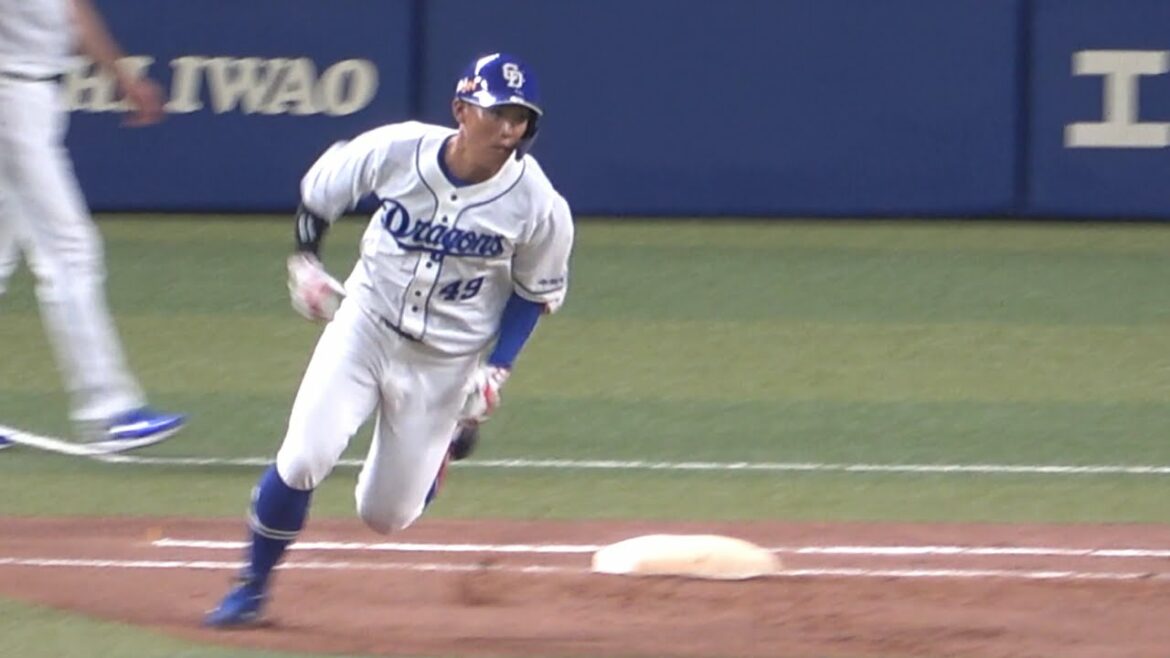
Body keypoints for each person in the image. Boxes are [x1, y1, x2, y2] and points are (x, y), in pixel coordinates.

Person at [203, 52, 574, 627]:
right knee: (303, 458)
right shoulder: (399, 150)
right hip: (364, 328)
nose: (509, 130)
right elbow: (320, 193)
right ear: (461, 110)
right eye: (498, 113)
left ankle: (445, 447)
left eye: (520, 117)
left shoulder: (538, 204)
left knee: (385, 516)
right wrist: (306, 261)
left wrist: (497, 368)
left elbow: (534, 293)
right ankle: (251, 588)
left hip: (447, 362)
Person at [0, 0, 186, 452]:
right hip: (10, 98)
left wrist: (123, 77)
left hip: (34, 95)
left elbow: (73, 10)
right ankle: (108, 410)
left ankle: (108, 409)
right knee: (70, 252)